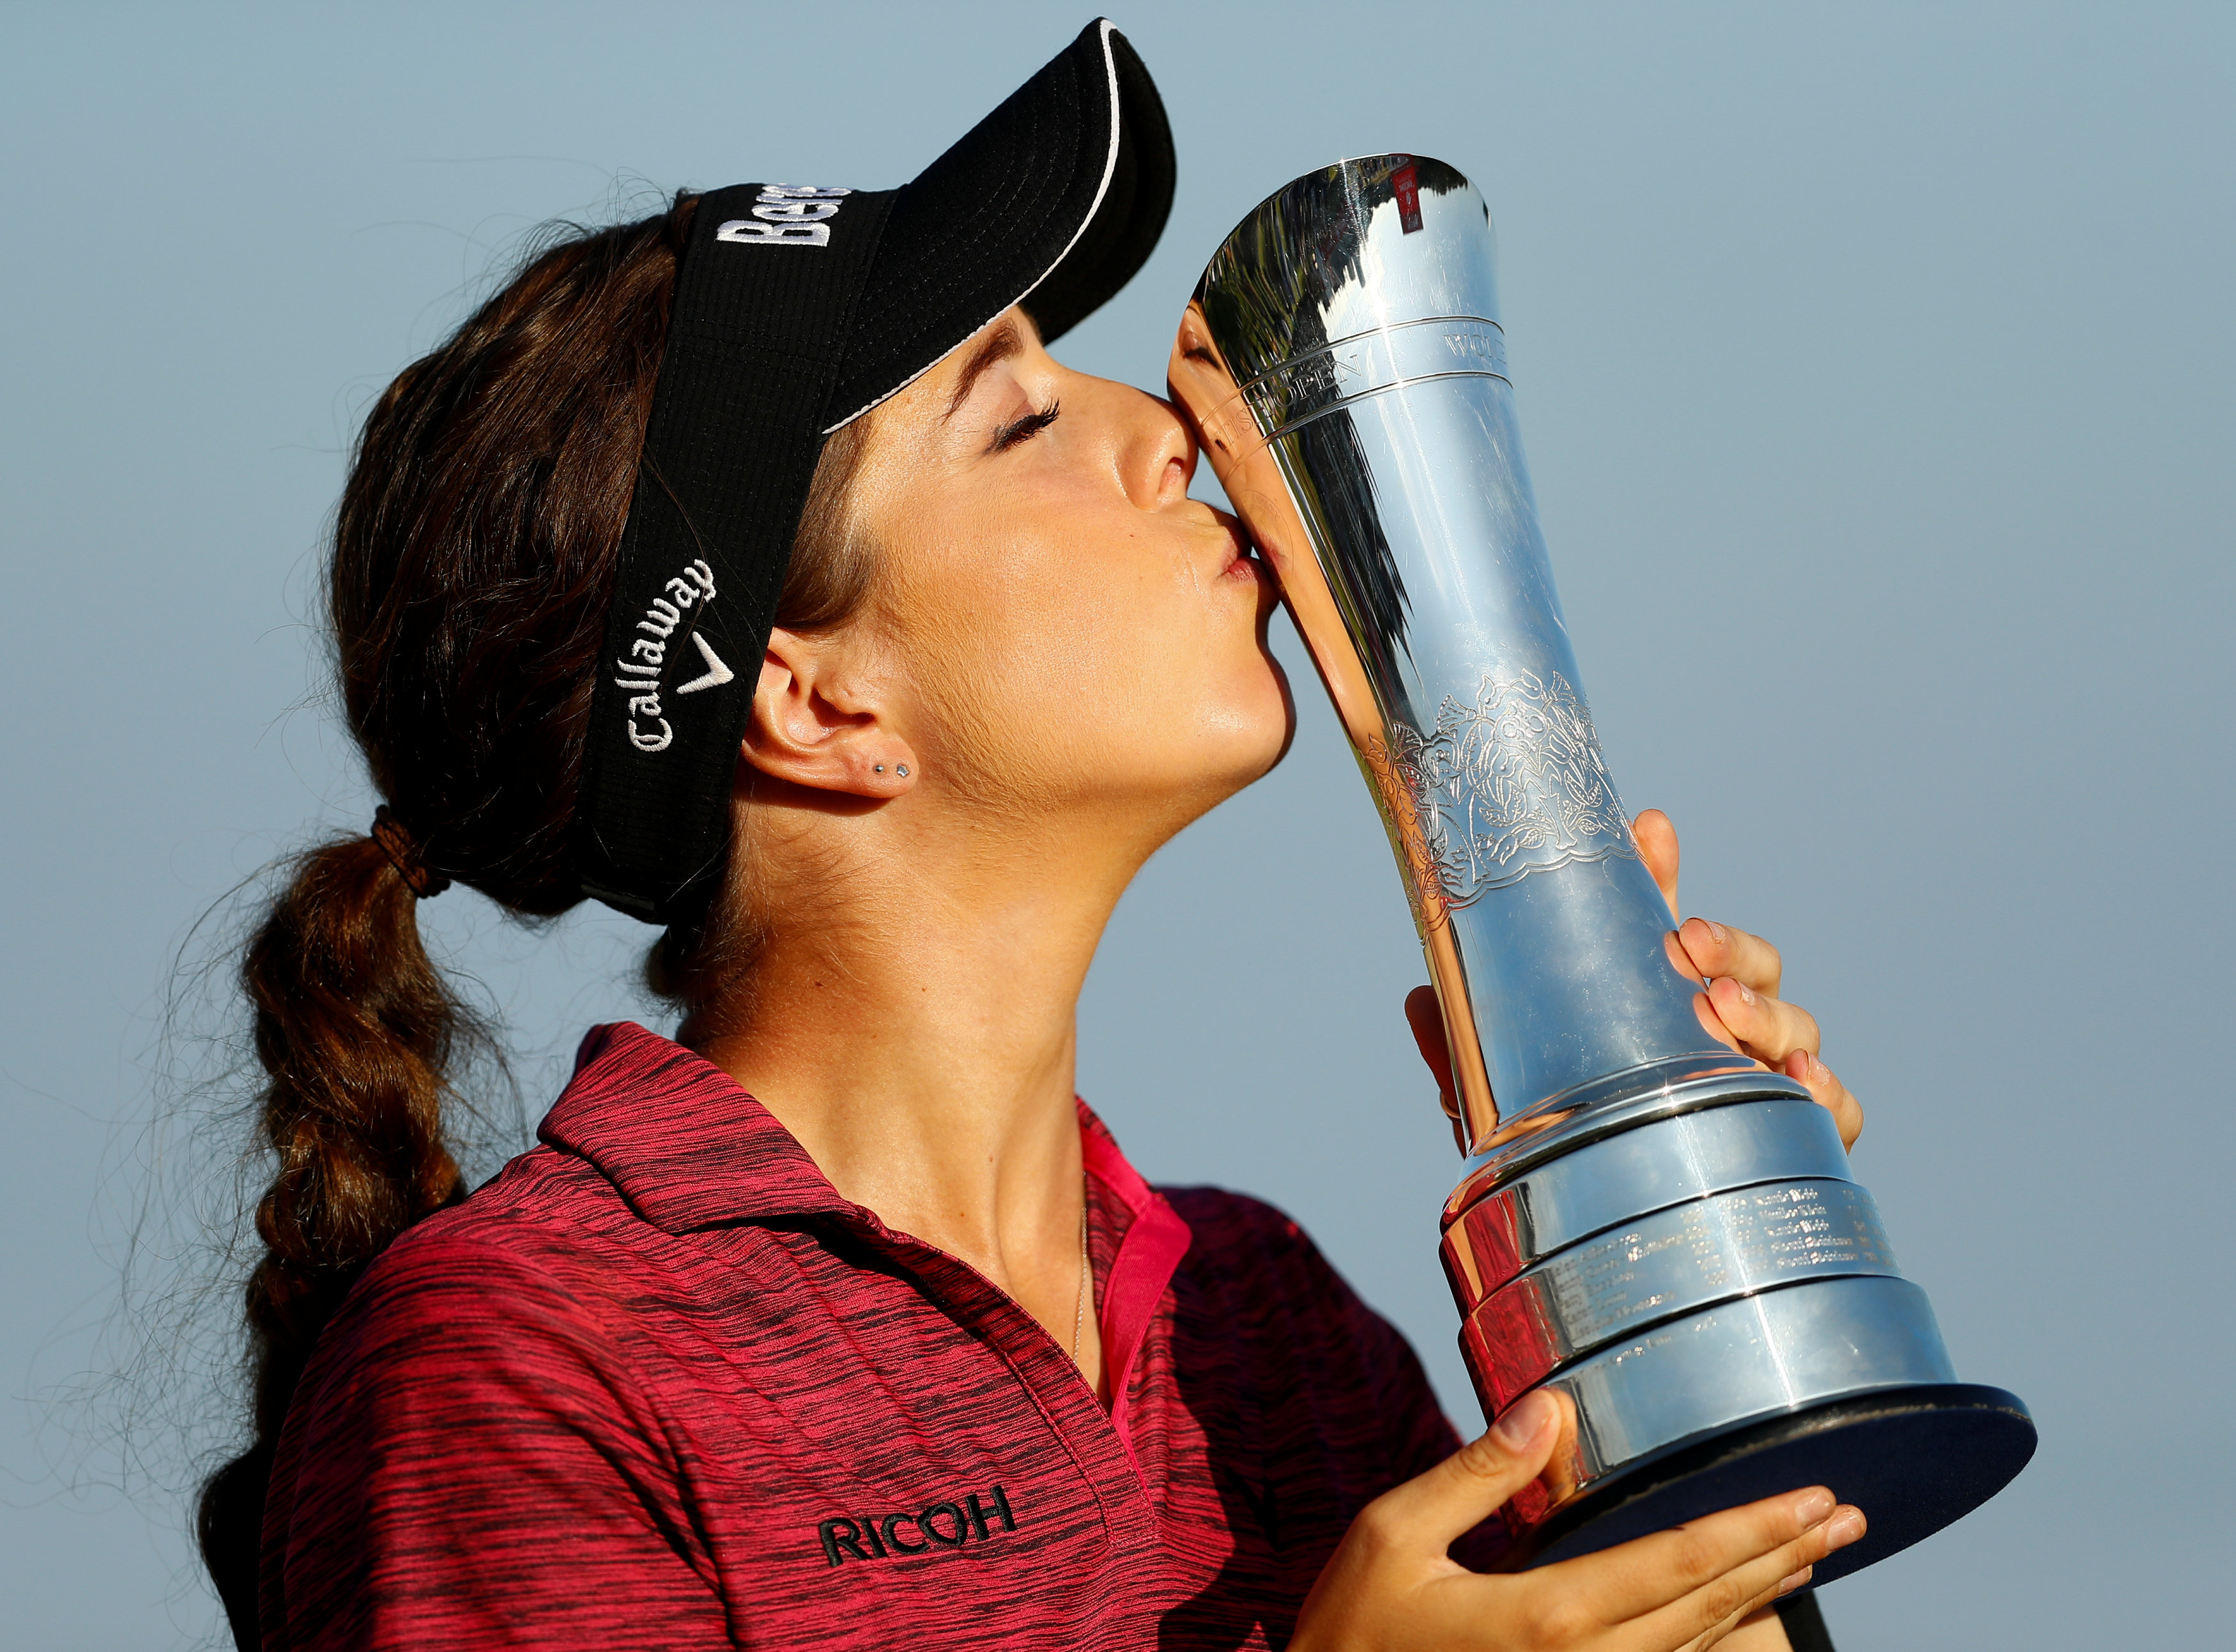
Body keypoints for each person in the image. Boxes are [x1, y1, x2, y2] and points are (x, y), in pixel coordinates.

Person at [202, 19, 1869, 1651]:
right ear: (809, 701)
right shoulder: (521, 1366)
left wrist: (1656, 1255)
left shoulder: (1252, 1312)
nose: (1167, 432)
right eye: (1015, 418)